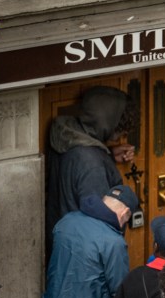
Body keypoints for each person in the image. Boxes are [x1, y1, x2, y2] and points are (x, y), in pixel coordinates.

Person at [45, 85, 137, 241]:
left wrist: (107, 155)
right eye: (118, 130)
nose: (121, 135)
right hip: (86, 251)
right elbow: (101, 219)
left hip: (66, 240)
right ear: (107, 123)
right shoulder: (91, 164)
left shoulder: (67, 136)